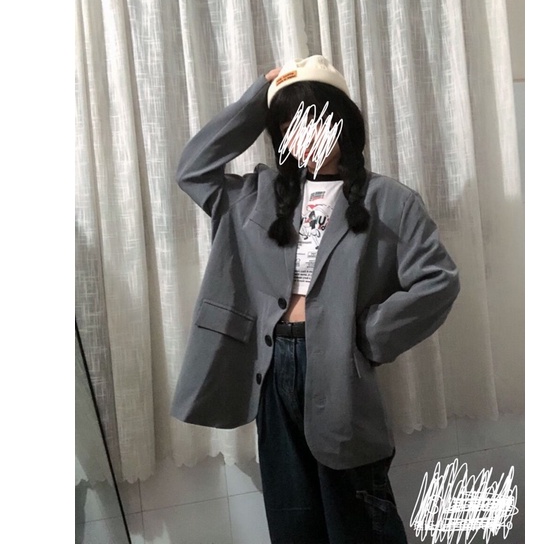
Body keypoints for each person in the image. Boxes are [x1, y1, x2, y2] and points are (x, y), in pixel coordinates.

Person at [171, 55, 460, 543]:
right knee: (293, 518)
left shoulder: (389, 200)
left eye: (312, 120)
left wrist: (368, 335)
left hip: (338, 368)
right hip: (270, 366)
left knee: (357, 516)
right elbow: (193, 170)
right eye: (287, 126)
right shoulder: (256, 195)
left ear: (342, 122)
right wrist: (258, 99)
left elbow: (438, 281)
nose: (301, 136)